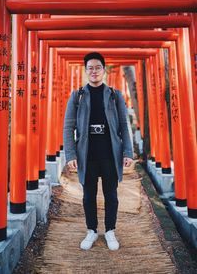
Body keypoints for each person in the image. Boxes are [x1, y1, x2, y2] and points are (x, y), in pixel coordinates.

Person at [63, 52, 133, 251]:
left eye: (98, 67)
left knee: (111, 194)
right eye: (90, 68)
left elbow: (123, 124)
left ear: (104, 70)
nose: (94, 71)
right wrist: (71, 155)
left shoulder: (114, 95)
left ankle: (110, 230)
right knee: (88, 195)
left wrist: (128, 152)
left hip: (110, 154)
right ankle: (91, 230)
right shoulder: (77, 95)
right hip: (88, 155)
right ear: (86, 71)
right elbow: (68, 127)